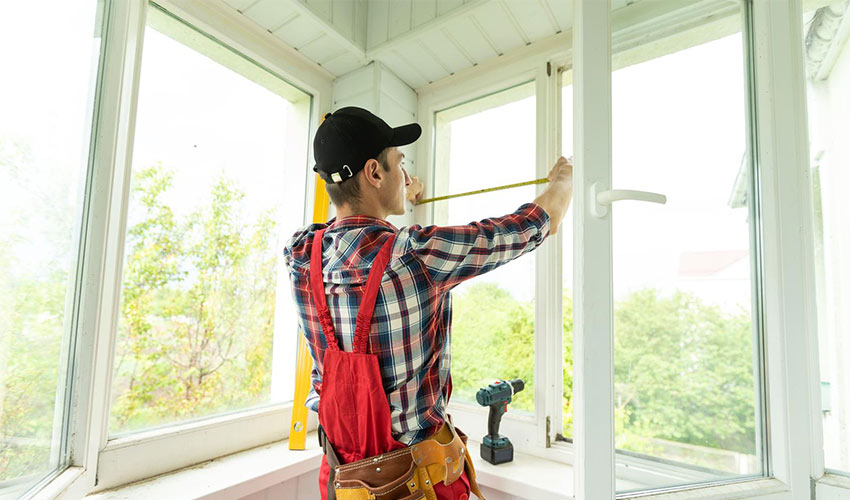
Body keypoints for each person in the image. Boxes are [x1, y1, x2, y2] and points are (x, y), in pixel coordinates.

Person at [283, 106, 573, 500]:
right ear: (373, 173)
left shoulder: (301, 255)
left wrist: (392, 195)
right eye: (398, 164)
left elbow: (352, 238)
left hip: (344, 481)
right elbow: (534, 225)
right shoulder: (417, 255)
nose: (406, 175)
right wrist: (564, 182)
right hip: (418, 483)